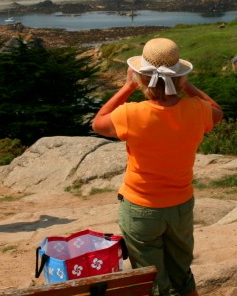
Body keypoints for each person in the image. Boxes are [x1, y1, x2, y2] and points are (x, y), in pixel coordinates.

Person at [92, 38, 223, 296]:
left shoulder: (131, 113)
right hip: (180, 206)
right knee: (182, 275)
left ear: (140, 77)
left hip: (141, 207)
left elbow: (98, 123)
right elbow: (217, 111)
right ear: (181, 77)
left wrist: (127, 87)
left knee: (152, 280)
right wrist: (186, 87)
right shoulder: (197, 110)